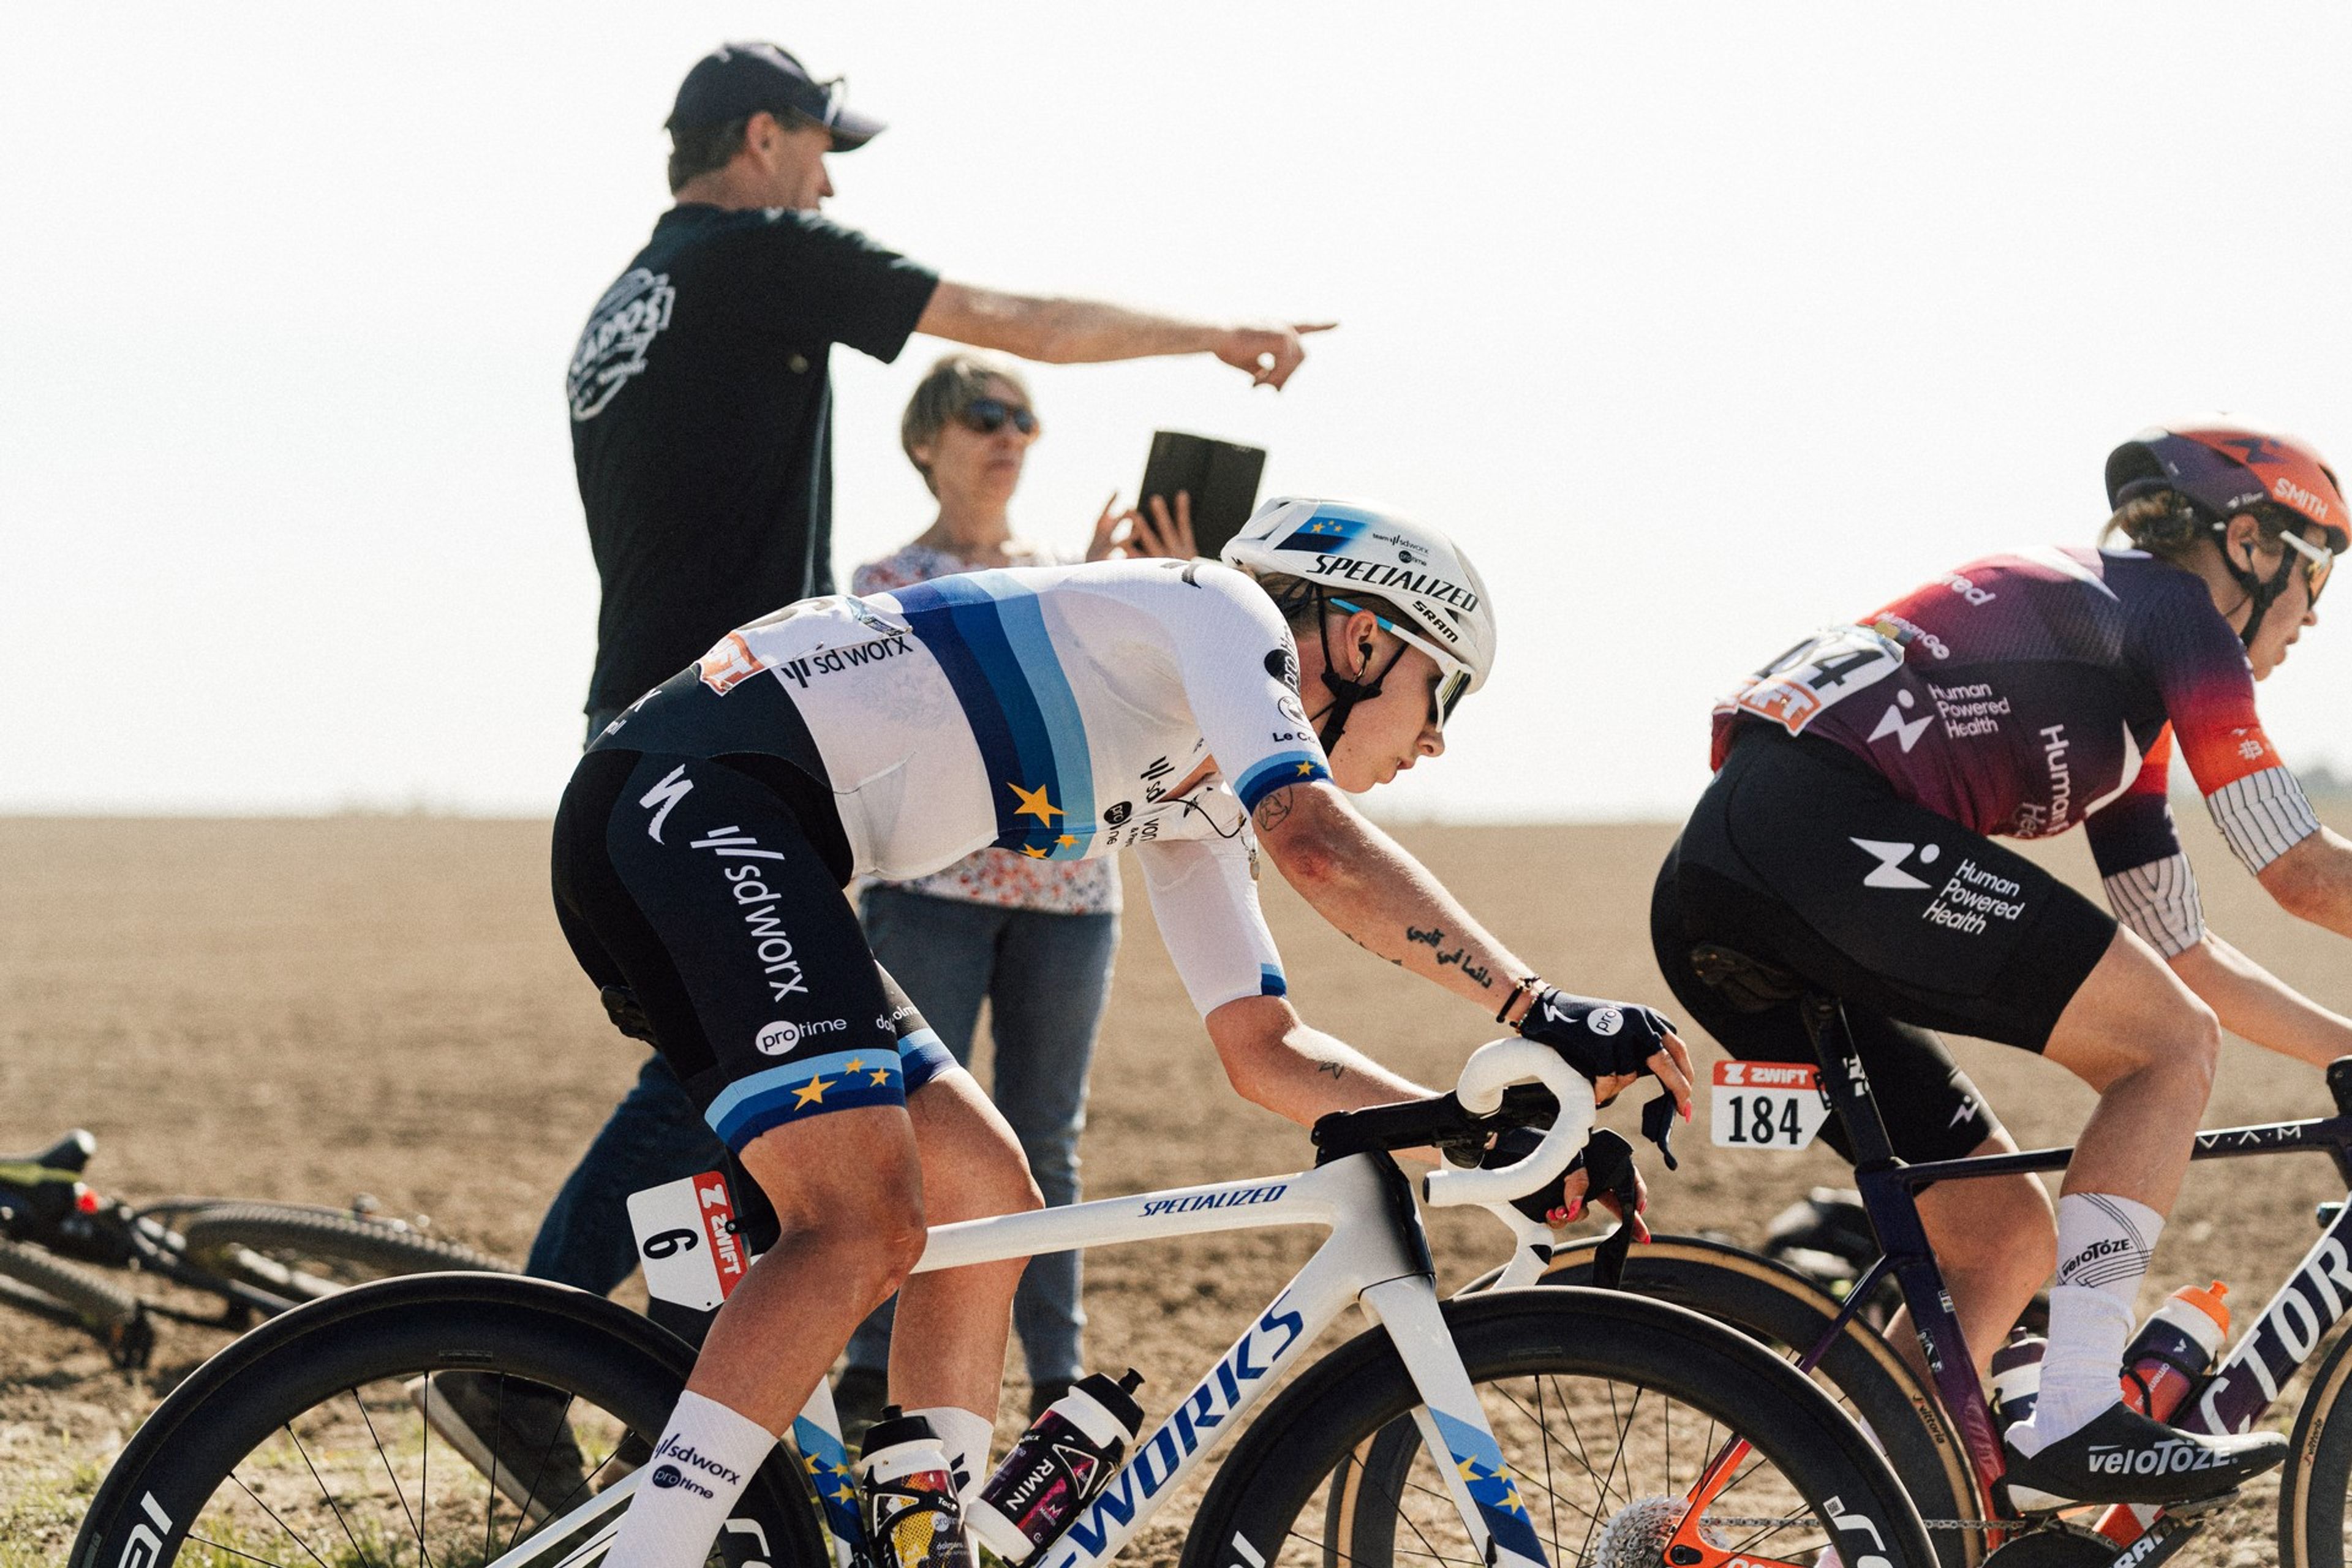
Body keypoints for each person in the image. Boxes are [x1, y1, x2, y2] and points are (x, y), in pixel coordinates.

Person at [551, 498, 1695, 1568]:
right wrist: (1539, 1007)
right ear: (1357, 638)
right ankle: (656, 1548)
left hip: (730, 826)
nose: (1437, 741)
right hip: (694, 802)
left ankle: (921, 1541)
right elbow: (1315, 845)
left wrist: (1489, 1146)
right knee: (856, 1222)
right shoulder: (1220, 610)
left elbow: (1264, 1049)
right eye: (1441, 693)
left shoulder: (1195, 785)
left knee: (988, 1194)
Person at [533, 37, 1332, 1357]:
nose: (830, 197)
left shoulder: (626, 302)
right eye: (820, 158)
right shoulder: (752, 254)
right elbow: (1021, 327)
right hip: (732, 748)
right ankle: (542, 1365)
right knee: (730, 1089)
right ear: (761, 140)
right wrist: (1213, 336)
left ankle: (667, 1409)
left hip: (655, 720)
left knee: (750, 1085)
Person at [1650, 420, 2352, 1506]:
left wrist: (2344, 1051)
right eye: (2317, 575)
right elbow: (2300, 872)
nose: (2316, 614)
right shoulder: (2175, 610)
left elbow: (2186, 954)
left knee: (2000, 1239)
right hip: (1819, 838)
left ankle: (1864, 1512)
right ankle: (2077, 1405)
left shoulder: (2126, 690)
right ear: (2253, 545)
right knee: (2168, 1051)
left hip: (1727, 874)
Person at [833, 353, 1192, 1431]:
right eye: (983, 416)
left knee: (1047, 1137)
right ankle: (868, 1364)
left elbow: (1127, 717)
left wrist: (1135, 596)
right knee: (902, 1131)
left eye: (1025, 420)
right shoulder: (882, 584)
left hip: (1073, 899)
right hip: (929, 893)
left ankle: (1053, 1375)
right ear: (925, 441)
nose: (1008, 436)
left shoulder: (1071, 572)